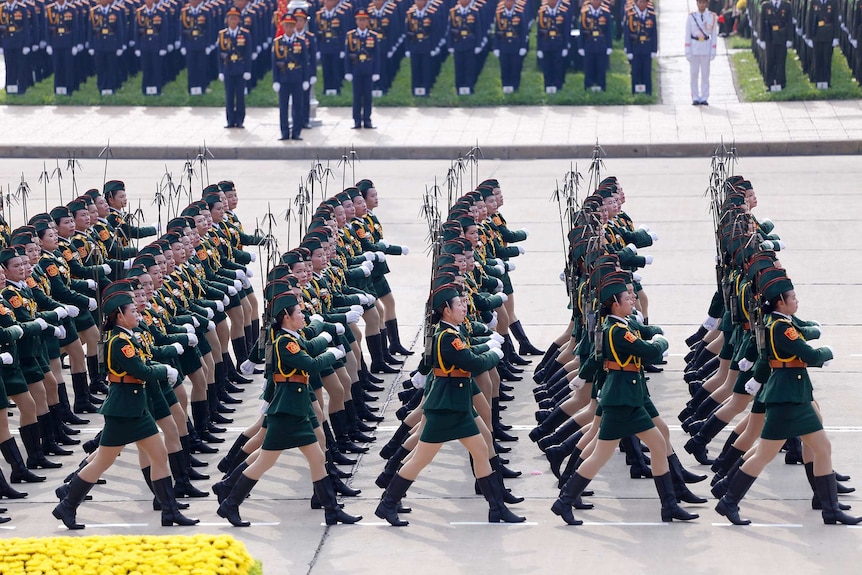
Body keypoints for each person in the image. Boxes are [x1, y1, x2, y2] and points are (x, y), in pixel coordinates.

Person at [550, 275, 698, 525]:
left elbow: (597, 358)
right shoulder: (617, 331)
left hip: (629, 398)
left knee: (658, 444)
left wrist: (583, 376)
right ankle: (564, 501)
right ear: (615, 304)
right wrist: (660, 341)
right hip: (621, 401)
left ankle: (669, 505)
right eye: (627, 298)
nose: (633, 300)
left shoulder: (619, 325)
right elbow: (648, 351)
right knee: (600, 455)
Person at [714, 273, 861, 526]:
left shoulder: (775, 322)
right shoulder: (781, 327)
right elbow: (808, 354)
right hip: (786, 397)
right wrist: (827, 352)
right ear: (780, 301)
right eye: (792, 297)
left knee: (822, 447)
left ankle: (829, 507)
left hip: (795, 395)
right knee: (763, 454)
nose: (796, 301)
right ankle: (729, 500)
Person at [375, 283, 524, 527]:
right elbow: (470, 362)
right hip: (445, 407)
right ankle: (388, 502)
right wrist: (493, 354)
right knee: (420, 459)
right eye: (459, 304)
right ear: (446, 310)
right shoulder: (447, 338)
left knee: (481, 450)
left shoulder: (449, 332)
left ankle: (497, 507)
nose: (464, 307)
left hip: (457, 403)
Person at [53, 288, 199, 529]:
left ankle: (169, 511)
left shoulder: (130, 338)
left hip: (136, 408)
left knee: (159, 456)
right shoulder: (120, 342)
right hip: (123, 410)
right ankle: (67, 505)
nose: (138, 314)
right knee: (102, 462)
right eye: (132, 311)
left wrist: (160, 366)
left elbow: (145, 362)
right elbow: (140, 371)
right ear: (119, 315)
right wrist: (165, 370)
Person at [213, 291, 362, 527]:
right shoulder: (284, 342)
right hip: (286, 410)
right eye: (299, 313)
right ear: (286, 317)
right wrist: (332, 353)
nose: (302, 315)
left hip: (298, 406)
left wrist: (323, 336)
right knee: (264, 461)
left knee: (316, 457)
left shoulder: (292, 337)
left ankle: (331, 509)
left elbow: (310, 346)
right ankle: (230, 503)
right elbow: (309, 364)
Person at [272, 14, 310, 141]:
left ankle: (296, 132)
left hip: (297, 78)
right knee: (283, 107)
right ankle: (284, 132)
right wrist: (275, 80)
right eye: (286, 25)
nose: (288, 28)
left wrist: (306, 79)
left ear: (294, 26)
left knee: (297, 106)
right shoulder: (278, 42)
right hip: (283, 79)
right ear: (283, 26)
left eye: (291, 26)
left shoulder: (300, 42)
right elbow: (275, 63)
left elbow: (305, 62)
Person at [344, 9, 381, 129]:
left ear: (368, 21)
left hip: (368, 70)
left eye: (364, 20)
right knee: (357, 96)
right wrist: (348, 71)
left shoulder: (373, 36)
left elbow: (376, 55)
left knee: (367, 96)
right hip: (356, 70)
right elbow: (347, 55)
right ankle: (356, 120)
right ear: (356, 21)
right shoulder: (351, 36)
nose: (362, 22)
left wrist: (376, 71)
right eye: (360, 20)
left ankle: (367, 119)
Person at [218, 7, 252, 129]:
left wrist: (247, 70)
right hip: (228, 69)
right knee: (229, 96)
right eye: (231, 18)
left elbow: (248, 54)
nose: (233, 20)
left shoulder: (245, 34)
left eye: (235, 18)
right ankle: (230, 120)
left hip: (240, 69)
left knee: (240, 97)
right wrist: (221, 70)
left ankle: (240, 120)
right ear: (227, 20)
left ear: (239, 20)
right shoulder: (222, 35)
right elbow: (219, 55)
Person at [87, 0, 126, 96]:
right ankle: (101, 88)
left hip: (111, 44)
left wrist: (120, 46)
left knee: (111, 67)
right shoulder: (93, 11)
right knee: (100, 68)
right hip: (98, 44)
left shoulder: (116, 11)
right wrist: (90, 46)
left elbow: (119, 30)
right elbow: (90, 30)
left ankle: (111, 88)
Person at [404, 0, 440, 97]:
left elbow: (435, 31)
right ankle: (415, 90)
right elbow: (407, 32)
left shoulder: (431, 13)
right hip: (414, 45)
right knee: (415, 69)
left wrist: (434, 47)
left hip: (426, 46)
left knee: (426, 69)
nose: (419, 2)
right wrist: (407, 48)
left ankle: (426, 90)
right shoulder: (410, 14)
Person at [133, 0, 169, 96]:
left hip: (156, 45)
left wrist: (163, 47)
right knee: (146, 69)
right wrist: (137, 47)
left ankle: (157, 90)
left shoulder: (160, 12)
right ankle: (146, 90)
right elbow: (136, 31)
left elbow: (164, 30)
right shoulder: (139, 12)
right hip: (144, 45)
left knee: (156, 69)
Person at [685, 0, 718, 105]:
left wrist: (713, 50)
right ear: (697, 3)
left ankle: (704, 97)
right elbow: (687, 35)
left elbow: (714, 35)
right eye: (700, 2)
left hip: (706, 47)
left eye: (704, 3)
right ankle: (695, 96)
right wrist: (687, 50)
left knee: (705, 74)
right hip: (694, 47)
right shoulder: (691, 17)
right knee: (694, 74)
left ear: (706, 4)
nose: (702, 5)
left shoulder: (711, 16)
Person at [179, 0, 214, 95]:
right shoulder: (184, 12)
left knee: (201, 67)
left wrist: (208, 45)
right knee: (191, 68)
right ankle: (192, 88)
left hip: (201, 44)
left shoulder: (205, 11)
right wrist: (182, 45)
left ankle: (202, 88)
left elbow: (209, 29)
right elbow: (182, 30)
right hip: (189, 44)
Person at [448, 0, 483, 95]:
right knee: (459, 67)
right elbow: (450, 30)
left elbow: (478, 29)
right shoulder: (453, 12)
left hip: (470, 44)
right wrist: (450, 45)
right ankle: (459, 88)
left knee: (470, 67)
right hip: (458, 43)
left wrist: (478, 44)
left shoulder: (474, 11)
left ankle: (469, 87)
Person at [623, 0, 658, 95]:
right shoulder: (631, 15)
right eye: (640, 2)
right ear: (636, 3)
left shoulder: (651, 15)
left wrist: (654, 49)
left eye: (644, 2)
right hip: (635, 48)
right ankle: (636, 92)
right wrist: (628, 49)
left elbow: (654, 34)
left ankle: (647, 92)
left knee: (646, 72)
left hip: (647, 48)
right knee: (635, 71)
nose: (642, 4)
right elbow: (627, 34)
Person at [493, 0, 528, 93]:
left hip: (516, 46)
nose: (509, 3)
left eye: (510, 2)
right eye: (507, 1)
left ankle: (515, 87)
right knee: (505, 67)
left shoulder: (519, 13)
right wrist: (496, 47)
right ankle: (506, 86)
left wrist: (523, 46)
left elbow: (523, 32)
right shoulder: (500, 14)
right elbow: (497, 33)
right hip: (503, 46)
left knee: (515, 68)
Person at [578, 0, 613, 92]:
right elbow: (581, 31)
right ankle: (588, 87)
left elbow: (609, 32)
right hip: (588, 45)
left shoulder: (605, 13)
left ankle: (601, 87)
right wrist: (580, 46)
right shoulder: (584, 13)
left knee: (601, 67)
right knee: (589, 67)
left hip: (601, 45)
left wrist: (609, 46)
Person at [805, 0, 840, 89]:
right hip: (816, 35)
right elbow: (809, 19)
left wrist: (836, 36)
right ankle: (818, 81)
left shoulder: (833, 2)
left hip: (828, 35)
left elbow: (836, 19)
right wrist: (808, 36)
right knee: (817, 59)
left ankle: (827, 81)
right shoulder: (813, 2)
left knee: (827, 60)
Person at [0, 0, 32, 95]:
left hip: (19, 42)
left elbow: (26, 27)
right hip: (7, 41)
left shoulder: (21, 8)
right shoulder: (1, 8)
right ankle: (10, 87)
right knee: (9, 66)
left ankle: (21, 88)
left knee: (20, 66)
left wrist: (26, 44)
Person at [759, 0, 792, 91]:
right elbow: (762, 22)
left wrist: (789, 38)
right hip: (770, 37)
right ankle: (769, 83)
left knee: (781, 61)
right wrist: (762, 39)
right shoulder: (766, 6)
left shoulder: (786, 5)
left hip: (782, 36)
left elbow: (789, 23)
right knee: (770, 61)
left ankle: (781, 82)